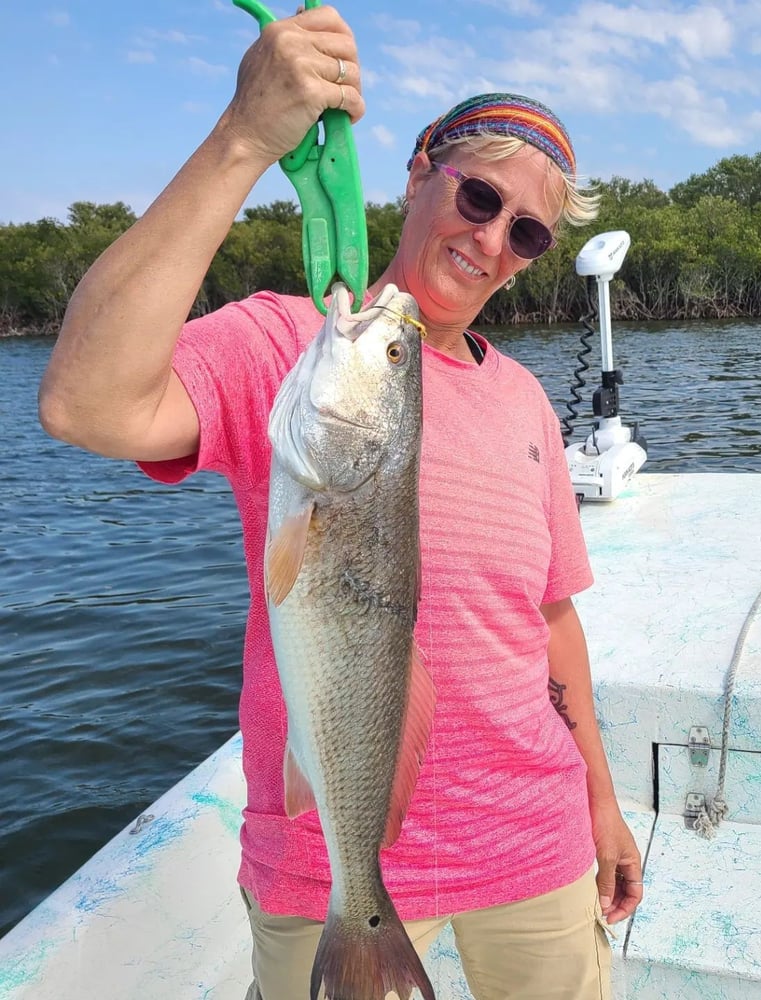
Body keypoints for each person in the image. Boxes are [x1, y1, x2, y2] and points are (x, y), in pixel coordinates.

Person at [38, 6, 643, 999]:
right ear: (415, 175)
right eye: (479, 196)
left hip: (536, 841)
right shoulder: (296, 344)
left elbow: (549, 619)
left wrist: (601, 803)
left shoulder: (528, 400)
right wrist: (244, 137)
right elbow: (81, 402)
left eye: (525, 231)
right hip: (329, 865)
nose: (491, 239)